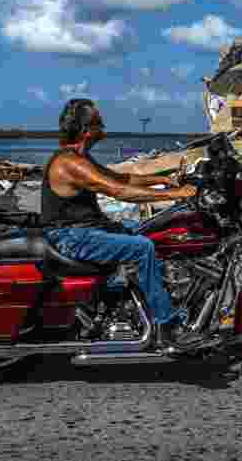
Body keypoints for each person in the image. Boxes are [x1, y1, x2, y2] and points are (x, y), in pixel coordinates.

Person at [41, 98, 198, 348]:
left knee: (158, 231)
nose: (104, 126)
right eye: (99, 122)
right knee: (143, 247)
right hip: (71, 237)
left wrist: (163, 179)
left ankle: (132, 295)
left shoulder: (81, 158)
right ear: (86, 130)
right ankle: (168, 325)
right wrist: (174, 195)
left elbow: (121, 177)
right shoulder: (69, 163)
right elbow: (117, 190)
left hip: (88, 230)